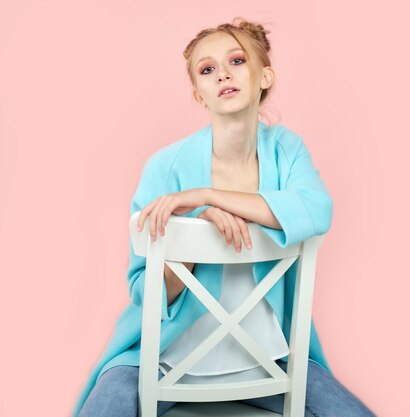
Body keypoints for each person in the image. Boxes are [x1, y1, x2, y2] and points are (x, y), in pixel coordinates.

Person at [72, 17, 377, 417]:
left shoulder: (286, 150)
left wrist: (208, 197)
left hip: (268, 360)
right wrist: (196, 228)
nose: (223, 75)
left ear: (265, 75)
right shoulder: (165, 167)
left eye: (236, 61)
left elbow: (317, 209)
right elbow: (145, 292)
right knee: (105, 406)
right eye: (207, 69)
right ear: (199, 94)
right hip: (160, 359)